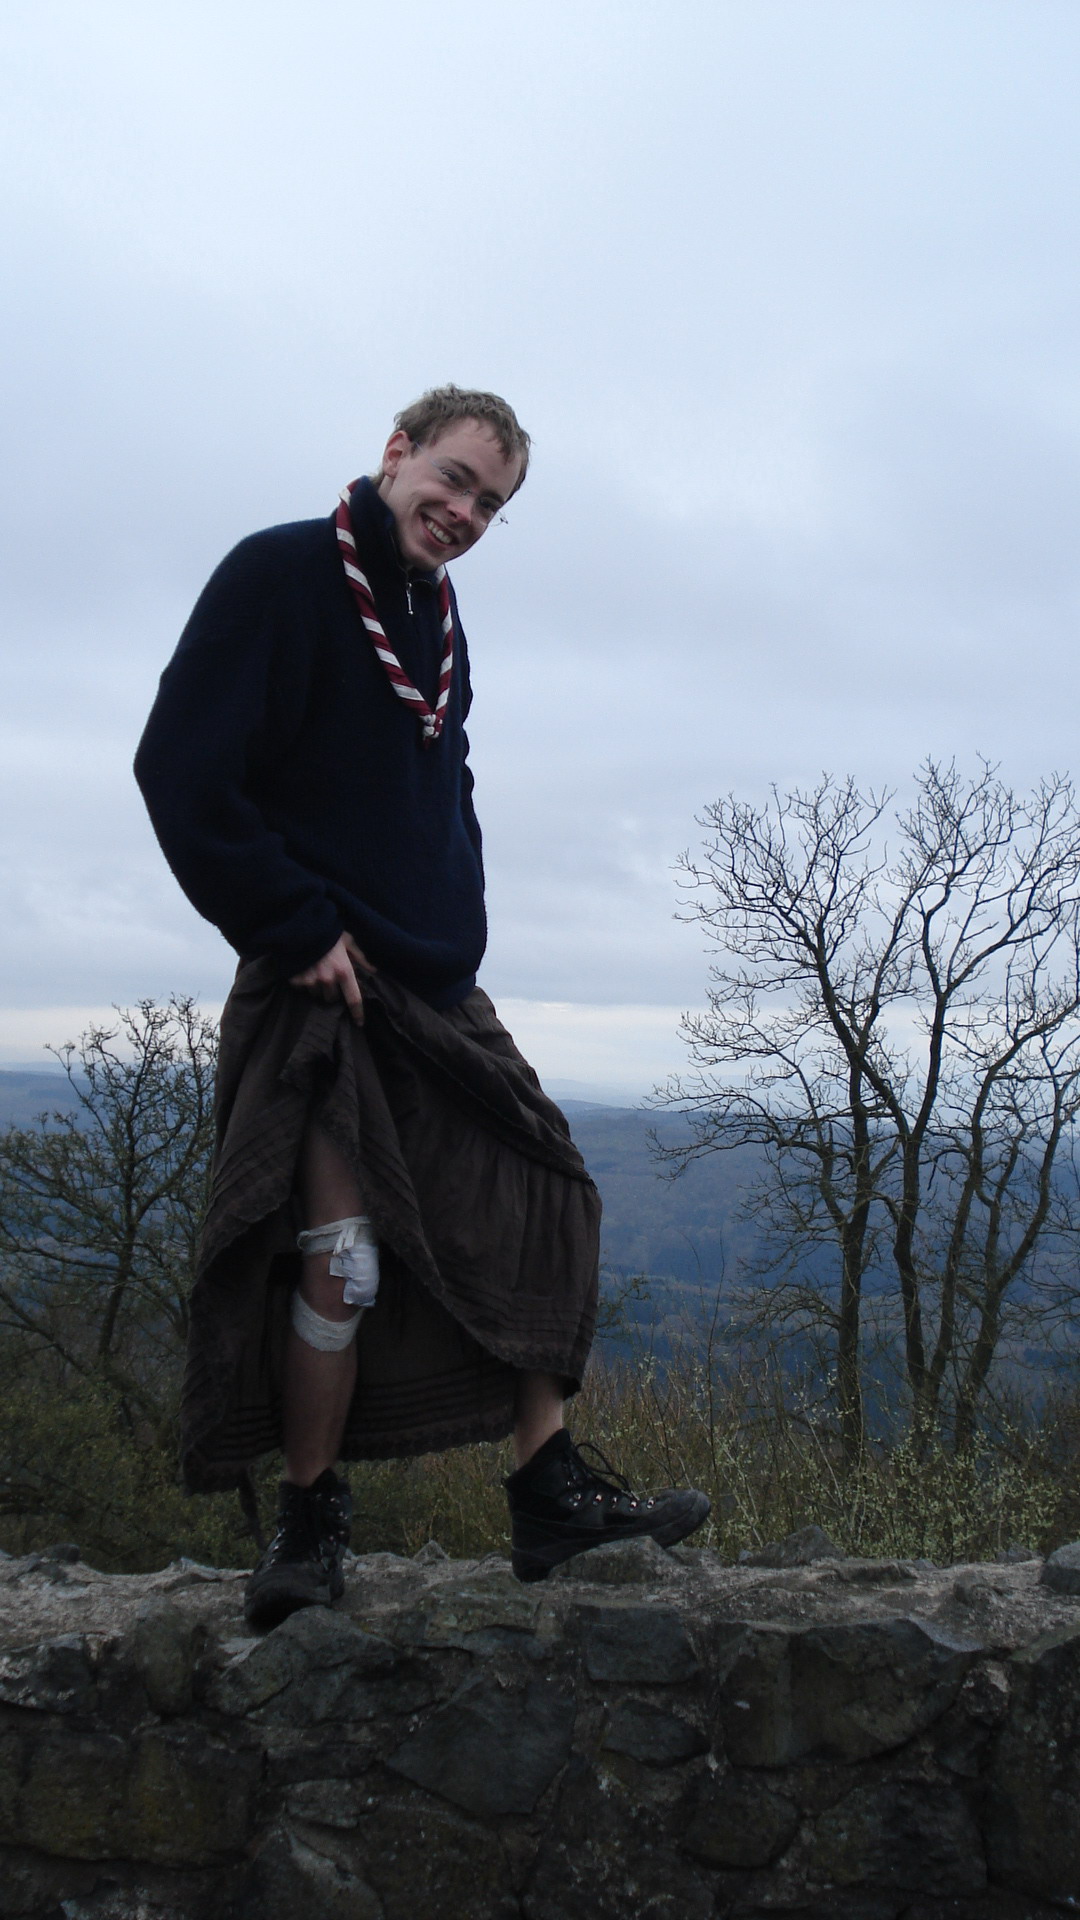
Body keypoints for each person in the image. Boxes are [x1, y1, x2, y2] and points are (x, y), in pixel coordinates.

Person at [135, 385, 709, 1629]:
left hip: (436, 980)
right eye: (452, 479)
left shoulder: (437, 616)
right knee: (342, 1261)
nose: (463, 513)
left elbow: (442, 779)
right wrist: (291, 923)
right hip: (326, 979)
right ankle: (307, 1520)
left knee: (549, 1191)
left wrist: (460, 905)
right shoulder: (281, 574)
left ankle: (548, 1495)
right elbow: (179, 767)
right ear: (396, 452)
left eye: (490, 504)